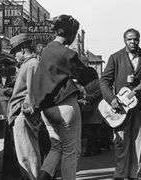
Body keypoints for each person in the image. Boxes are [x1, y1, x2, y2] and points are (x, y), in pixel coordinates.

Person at [30, 15, 98, 180]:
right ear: (72, 34)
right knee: (71, 151)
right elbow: (87, 76)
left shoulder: (46, 50)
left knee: (56, 148)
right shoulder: (67, 53)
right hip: (65, 105)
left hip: (46, 109)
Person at [100, 28, 141, 180]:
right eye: (130, 39)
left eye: (136, 39)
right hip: (121, 109)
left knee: (138, 144)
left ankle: (134, 175)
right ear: (124, 40)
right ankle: (120, 175)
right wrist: (112, 99)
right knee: (121, 143)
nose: (133, 42)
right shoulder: (115, 58)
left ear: (139, 40)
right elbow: (104, 81)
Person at [8, 33, 42, 180]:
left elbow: (32, 91)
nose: (15, 56)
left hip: (23, 115)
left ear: (22, 50)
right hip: (22, 114)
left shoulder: (32, 64)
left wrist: (25, 109)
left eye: (15, 52)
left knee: (28, 156)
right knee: (26, 155)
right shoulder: (30, 64)